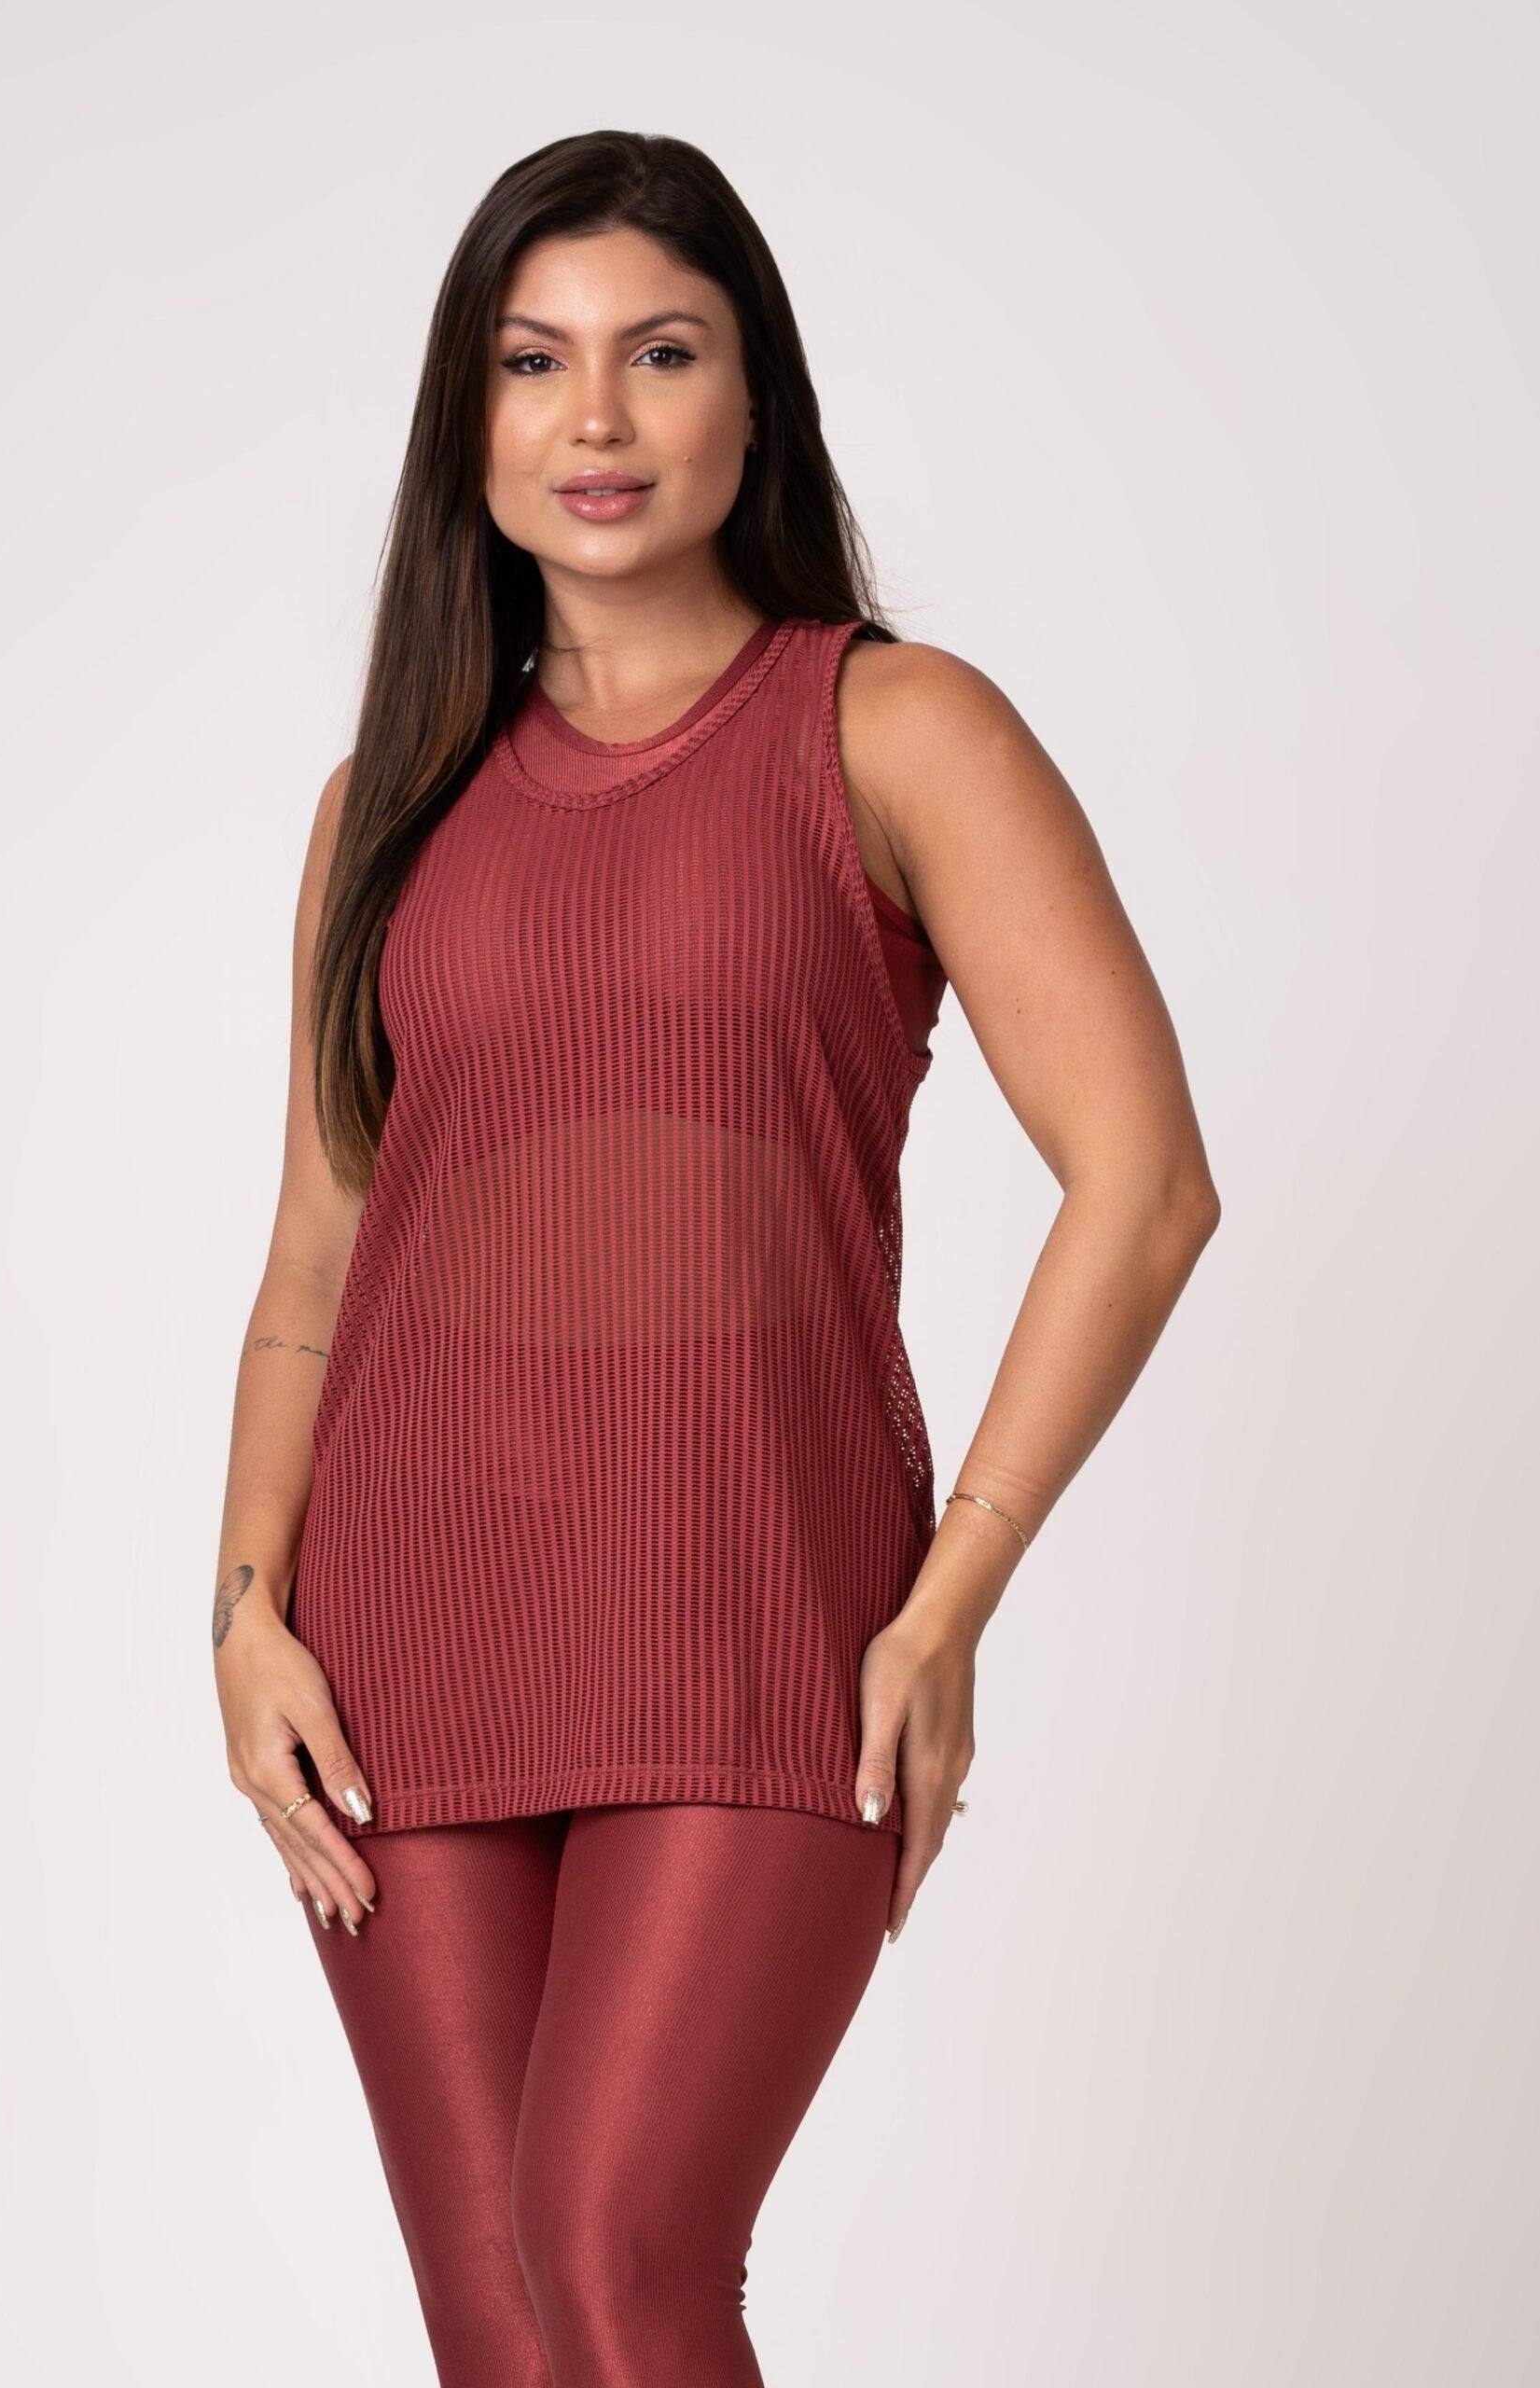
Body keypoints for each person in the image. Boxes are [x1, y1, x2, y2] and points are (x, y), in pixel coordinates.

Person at [211, 129, 1220, 2387]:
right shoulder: (384, 801)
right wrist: (245, 1607)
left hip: (761, 1603)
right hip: (404, 1641)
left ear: (754, 397)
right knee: (503, 2327)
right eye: (533, 361)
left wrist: (948, 1596)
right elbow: (318, 1249)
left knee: (617, 2254)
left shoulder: (892, 725)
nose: (596, 416)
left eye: (660, 354)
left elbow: (1145, 1179)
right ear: (466, 420)